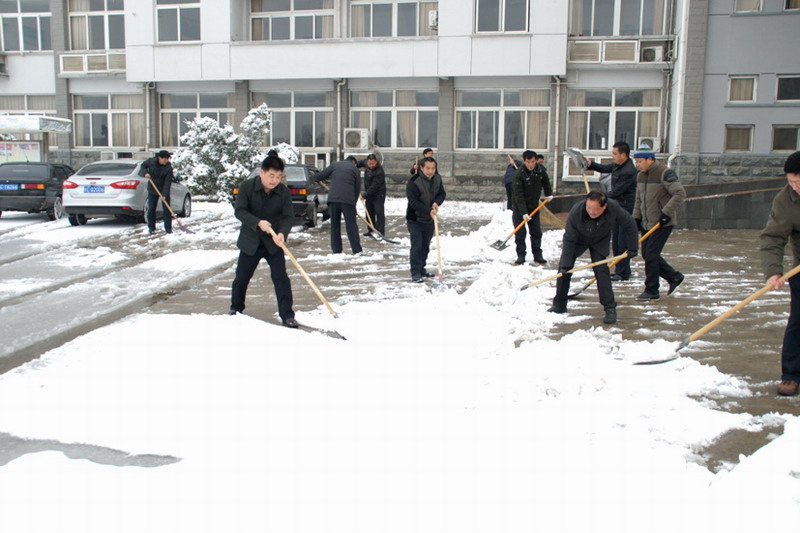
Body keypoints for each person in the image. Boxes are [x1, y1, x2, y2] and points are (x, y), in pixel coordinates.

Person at [548, 191, 638, 324]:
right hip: (578, 239)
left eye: (595, 209)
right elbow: (569, 239)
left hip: (599, 239)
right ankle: (559, 304)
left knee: (601, 271)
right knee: (564, 271)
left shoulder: (613, 208)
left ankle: (610, 308)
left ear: (604, 206)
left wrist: (632, 248)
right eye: (588, 207)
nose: (591, 212)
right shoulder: (576, 212)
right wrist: (566, 265)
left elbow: (630, 224)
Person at [230, 150, 298, 328]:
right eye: (271, 175)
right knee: (242, 277)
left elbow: (288, 217)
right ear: (262, 172)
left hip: (273, 243)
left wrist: (282, 233)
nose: (274, 180)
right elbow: (240, 211)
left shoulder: (283, 192)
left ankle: (287, 315)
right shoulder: (247, 187)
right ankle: (236, 309)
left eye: (278, 176)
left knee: (281, 278)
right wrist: (258, 222)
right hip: (251, 241)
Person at [760, 150, 800, 396]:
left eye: (799, 182)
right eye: (792, 182)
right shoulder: (786, 200)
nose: (796, 187)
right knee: (798, 322)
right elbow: (773, 238)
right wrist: (773, 271)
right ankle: (791, 375)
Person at [631, 145, 686, 300]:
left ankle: (652, 289)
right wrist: (636, 218)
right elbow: (639, 199)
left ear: (650, 159)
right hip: (647, 222)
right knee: (647, 254)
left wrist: (666, 213)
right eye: (636, 162)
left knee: (651, 255)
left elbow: (680, 194)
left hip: (662, 223)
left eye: (640, 162)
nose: (638, 165)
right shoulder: (641, 176)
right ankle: (673, 277)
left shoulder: (665, 173)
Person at [585, 141, 637, 281]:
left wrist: (599, 199)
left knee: (622, 242)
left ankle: (623, 272)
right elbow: (603, 168)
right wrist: (590, 164)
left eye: (615, 153)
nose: (612, 156)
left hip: (625, 210)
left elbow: (617, 191)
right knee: (616, 242)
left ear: (623, 155)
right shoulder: (618, 165)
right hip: (616, 208)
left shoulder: (628, 171)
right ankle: (620, 270)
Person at [406, 156, 446, 282]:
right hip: (415, 219)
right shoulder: (414, 182)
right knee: (417, 246)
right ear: (422, 168)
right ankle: (415, 272)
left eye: (433, 168)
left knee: (425, 246)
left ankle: (421, 269)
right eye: (428, 168)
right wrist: (429, 210)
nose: (430, 171)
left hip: (429, 219)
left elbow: (442, 193)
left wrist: (436, 202)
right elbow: (413, 202)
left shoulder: (437, 179)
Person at [511, 150, 553, 265]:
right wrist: (524, 212)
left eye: (533, 162)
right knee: (520, 233)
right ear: (524, 161)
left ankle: (538, 256)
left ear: (536, 161)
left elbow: (546, 181)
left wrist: (549, 193)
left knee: (536, 232)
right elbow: (518, 196)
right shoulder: (519, 174)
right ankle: (521, 256)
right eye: (528, 162)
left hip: (534, 206)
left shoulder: (540, 170)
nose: (530, 164)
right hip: (519, 208)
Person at [315, 156, 362, 254]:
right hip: (348, 201)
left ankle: (336, 250)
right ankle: (357, 250)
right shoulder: (355, 170)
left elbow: (319, 176)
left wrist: (315, 178)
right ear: (354, 162)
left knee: (335, 226)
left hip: (333, 200)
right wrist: (354, 203)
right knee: (351, 226)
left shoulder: (334, 165)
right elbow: (357, 189)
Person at [139, 149, 174, 234]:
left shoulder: (168, 168)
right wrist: (145, 173)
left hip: (163, 189)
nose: (166, 161)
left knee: (167, 209)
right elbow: (143, 166)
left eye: (167, 159)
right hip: (152, 188)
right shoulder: (151, 162)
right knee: (151, 209)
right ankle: (151, 228)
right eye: (165, 159)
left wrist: (164, 194)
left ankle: (168, 229)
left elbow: (167, 182)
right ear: (160, 158)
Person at [357, 154, 386, 236]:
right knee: (369, 212)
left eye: (373, 164)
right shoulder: (366, 163)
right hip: (369, 194)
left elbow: (374, 186)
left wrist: (364, 195)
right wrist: (354, 166)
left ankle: (380, 232)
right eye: (370, 164)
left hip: (379, 194)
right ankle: (371, 230)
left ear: (376, 162)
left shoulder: (379, 171)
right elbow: (360, 163)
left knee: (379, 212)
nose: (371, 165)